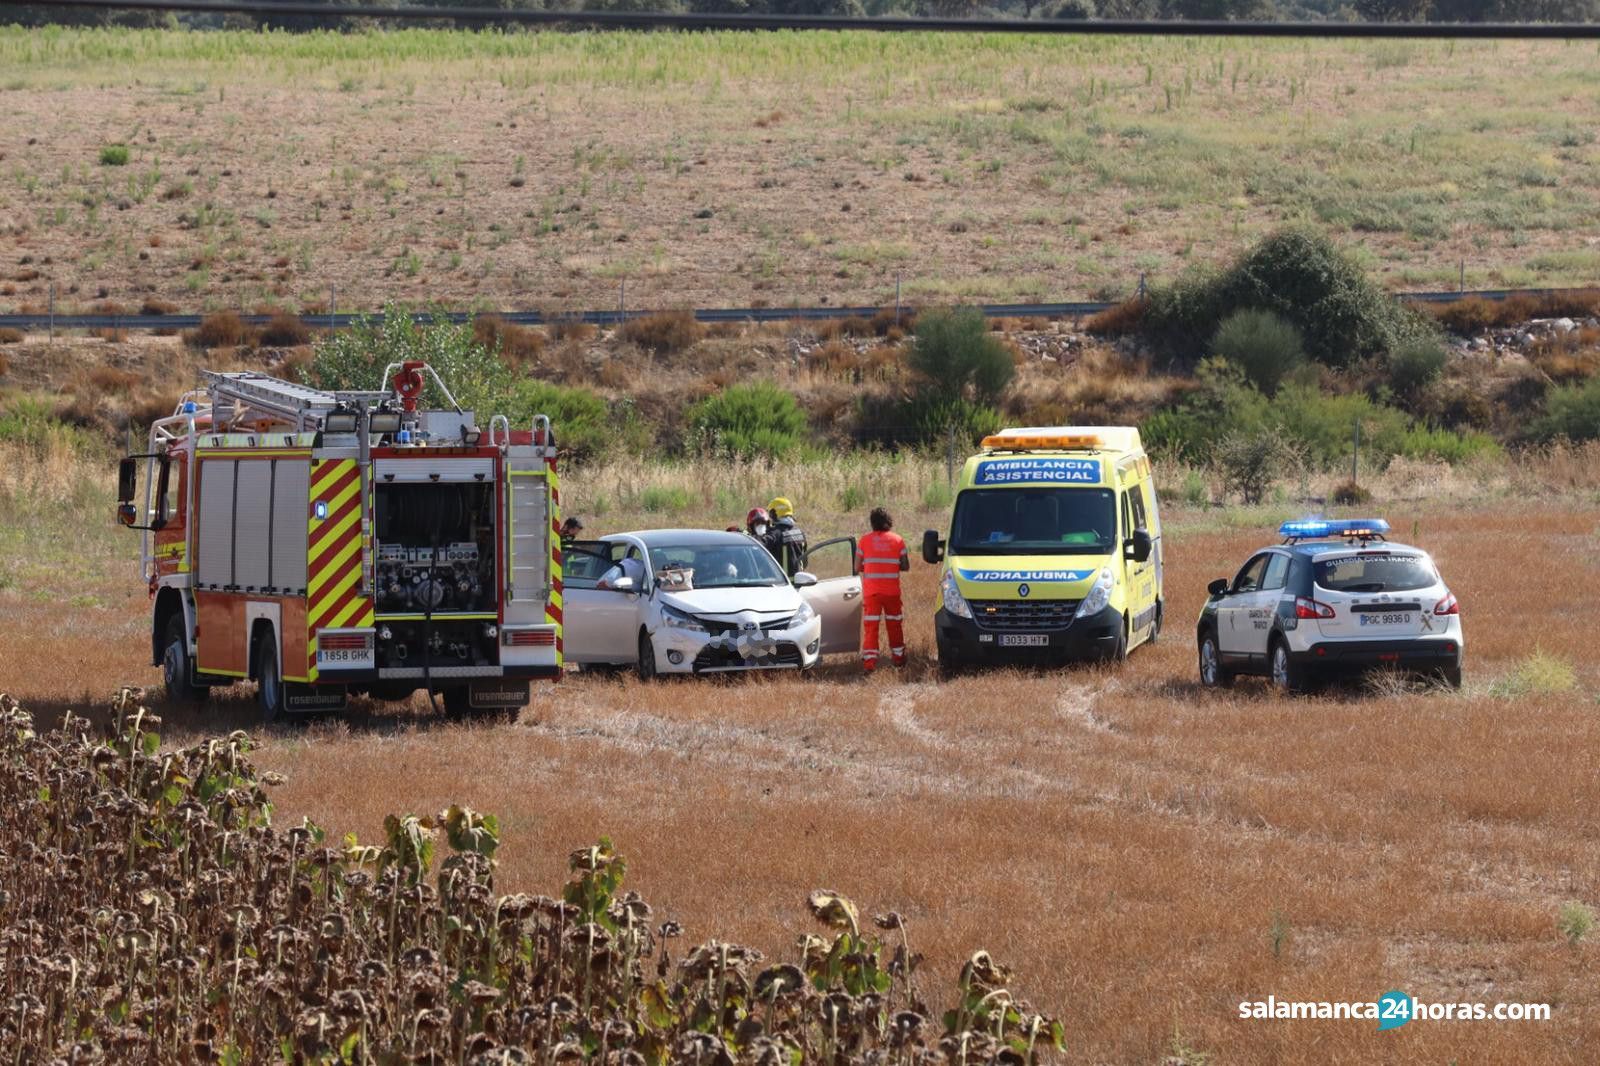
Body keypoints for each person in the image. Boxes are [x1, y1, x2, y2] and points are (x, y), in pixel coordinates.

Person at [855, 506, 910, 672]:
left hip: (872, 593)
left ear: (872, 523)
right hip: (892, 593)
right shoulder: (898, 540)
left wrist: (872, 567)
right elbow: (906, 566)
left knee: (871, 627)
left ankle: (870, 662)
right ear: (889, 521)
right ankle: (898, 658)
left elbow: (857, 566)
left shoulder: (864, 541)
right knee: (894, 625)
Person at [765, 496, 808, 577]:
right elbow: (804, 562)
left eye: (770, 513)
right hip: (800, 582)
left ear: (774, 514)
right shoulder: (800, 533)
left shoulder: (776, 534)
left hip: (783, 585)